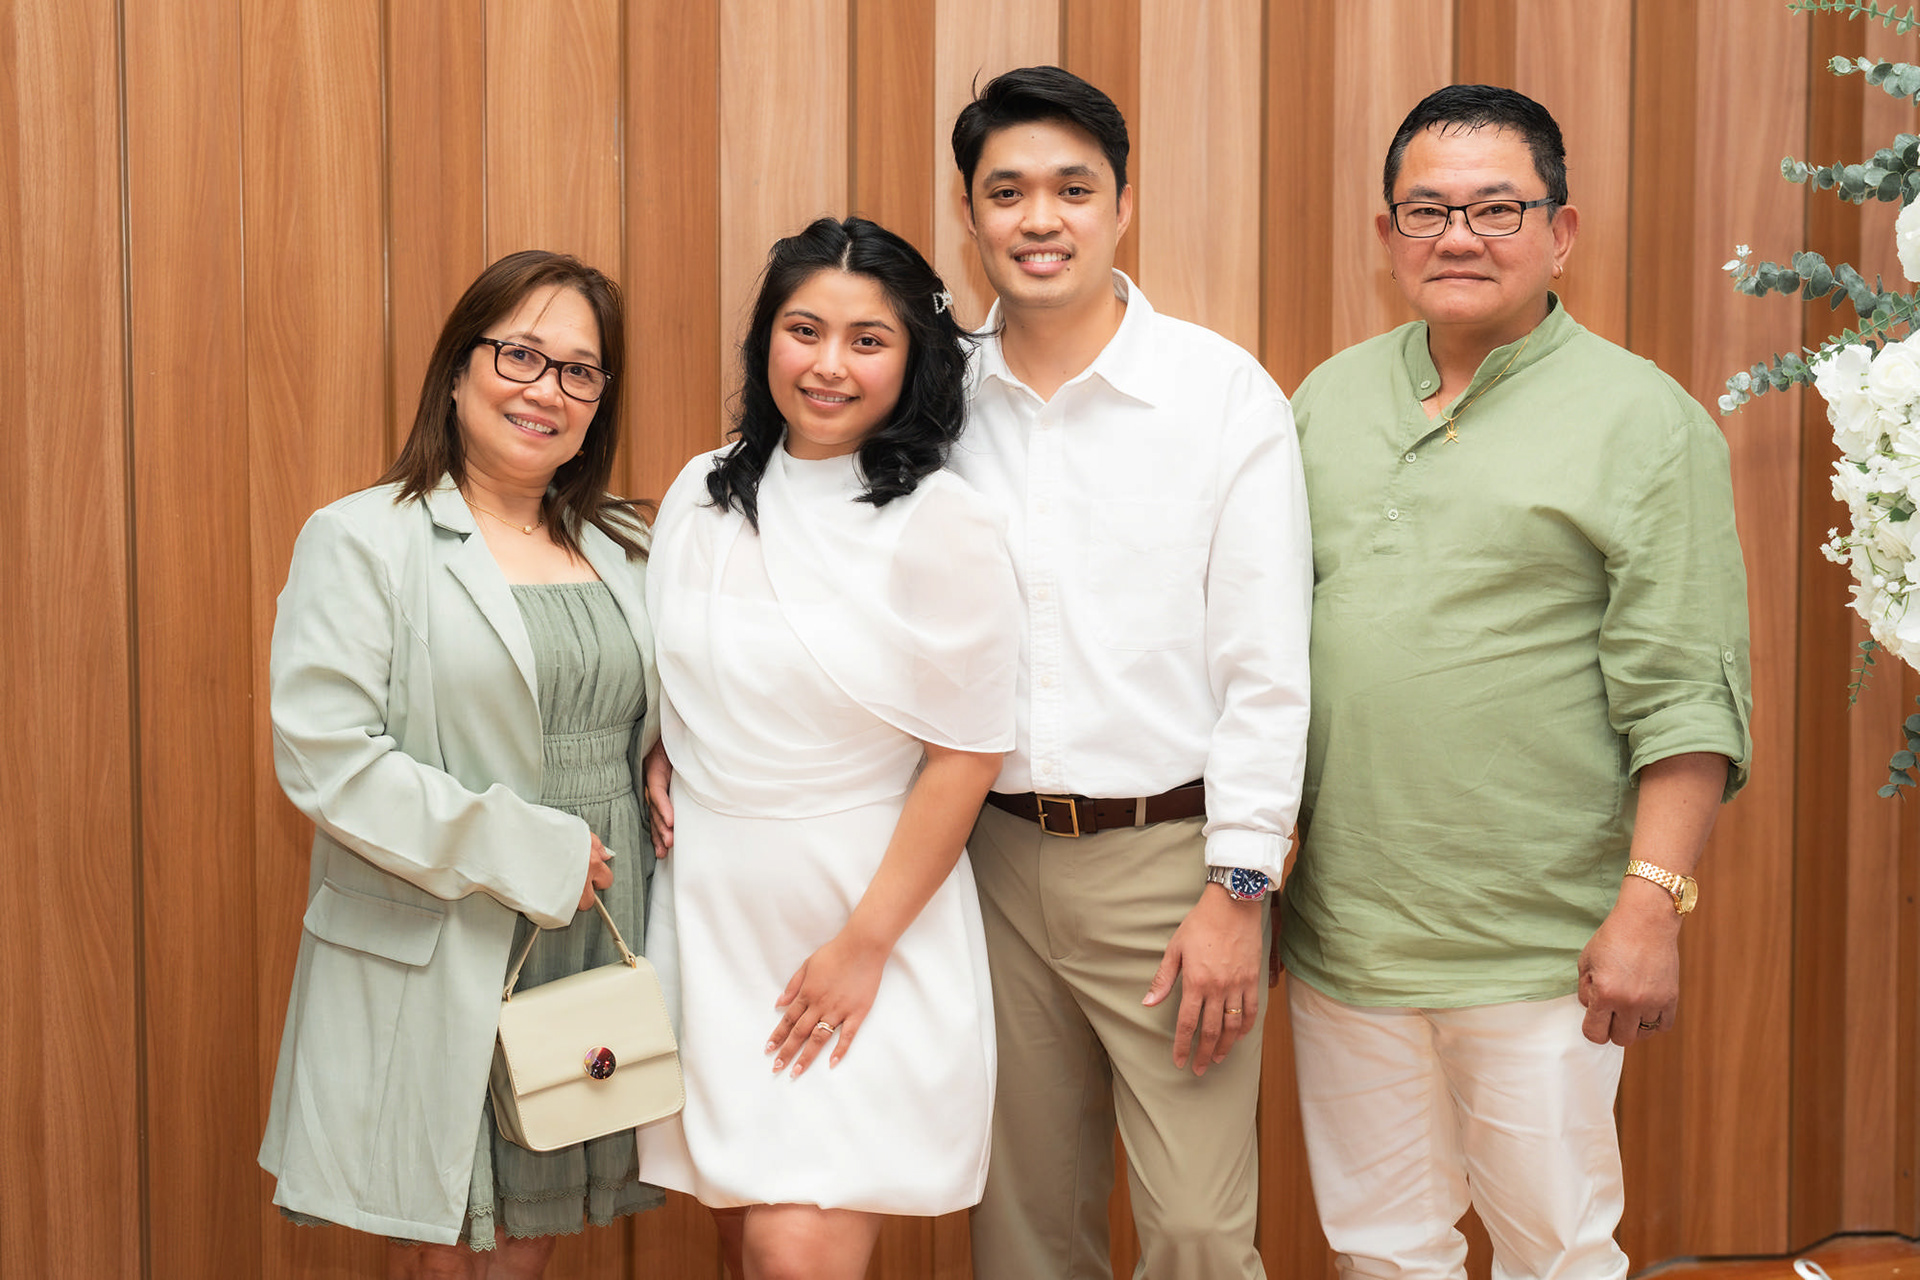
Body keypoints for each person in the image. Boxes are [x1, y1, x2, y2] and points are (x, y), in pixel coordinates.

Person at [1281, 84, 1752, 1280]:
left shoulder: (1645, 420)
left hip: (1540, 943)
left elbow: (1687, 693)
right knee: (1382, 1249)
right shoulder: (1326, 399)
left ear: (1561, 231)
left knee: (1558, 1250)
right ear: (1388, 234)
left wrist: (1650, 907)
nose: (1458, 236)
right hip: (1347, 936)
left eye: (1497, 208)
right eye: (1426, 210)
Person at [947, 67, 1312, 1280]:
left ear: (1122, 205)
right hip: (987, 859)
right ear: (970, 213)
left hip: (1173, 865)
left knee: (1200, 1229)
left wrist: (1240, 888)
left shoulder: (1219, 394)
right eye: (1007, 191)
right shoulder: (933, 397)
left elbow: (1268, 664)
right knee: (1022, 1229)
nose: (1039, 219)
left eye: (1072, 188)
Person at [258, 250, 663, 1278]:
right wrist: (534, 850)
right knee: (449, 1242)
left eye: (580, 370)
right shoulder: (363, 539)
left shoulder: (628, 542)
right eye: (520, 355)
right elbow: (328, 759)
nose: (547, 389)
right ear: (456, 369)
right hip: (455, 923)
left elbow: (668, 698)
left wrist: (668, 755)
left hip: (598, 923)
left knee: (529, 1235)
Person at [633, 216, 1020, 1280]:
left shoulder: (942, 520)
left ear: (913, 359)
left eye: (868, 340)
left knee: (795, 1248)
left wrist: (864, 944)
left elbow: (966, 754)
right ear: (766, 337)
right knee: (738, 1233)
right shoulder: (702, 492)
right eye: (805, 330)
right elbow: (678, 662)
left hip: (865, 910)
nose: (829, 365)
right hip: (712, 909)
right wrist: (667, 740)